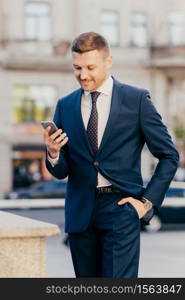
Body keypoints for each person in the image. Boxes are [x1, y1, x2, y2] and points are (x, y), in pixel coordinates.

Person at [43, 32, 179, 278]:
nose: (83, 75)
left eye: (90, 67)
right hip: (80, 214)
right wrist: (53, 153)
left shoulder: (136, 100)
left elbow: (169, 155)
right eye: (77, 68)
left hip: (121, 210)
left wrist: (146, 203)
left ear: (108, 62)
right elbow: (61, 170)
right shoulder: (65, 105)